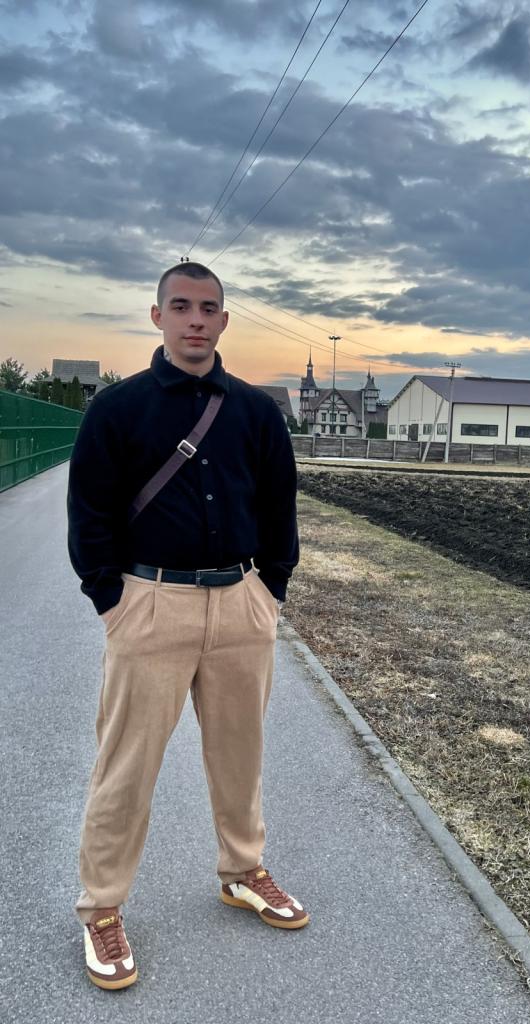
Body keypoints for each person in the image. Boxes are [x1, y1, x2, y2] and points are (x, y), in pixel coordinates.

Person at [67, 261, 307, 992]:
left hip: (241, 604)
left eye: (208, 308)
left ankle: (242, 870)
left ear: (224, 320)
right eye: (181, 306)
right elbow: (89, 512)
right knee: (126, 766)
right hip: (150, 603)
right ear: (158, 316)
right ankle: (101, 908)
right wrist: (112, 599)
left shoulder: (256, 412)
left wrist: (270, 591)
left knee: (240, 754)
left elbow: (279, 507)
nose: (195, 320)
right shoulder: (118, 408)